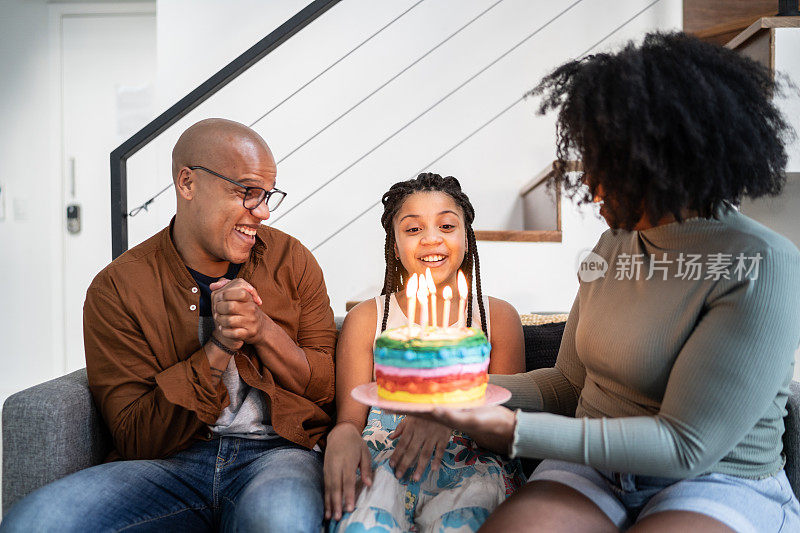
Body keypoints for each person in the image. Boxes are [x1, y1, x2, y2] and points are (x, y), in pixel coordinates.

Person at [407, 33, 800, 532]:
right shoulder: (612, 245)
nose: (588, 183)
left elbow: (686, 445)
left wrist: (511, 429)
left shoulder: (760, 263)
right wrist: (457, 391)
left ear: (664, 162)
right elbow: (567, 385)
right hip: (593, 472)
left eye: (605, 164)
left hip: (715, 478)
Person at [1, 118, 337, 532]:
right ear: (187, 183)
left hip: (277, 454)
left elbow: (325, 390)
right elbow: (137, 438)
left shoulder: (292, 260)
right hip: (168, 465)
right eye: (247, 192)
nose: (262, 212)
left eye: (267, 196)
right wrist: (219, 347)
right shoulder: (118, 288)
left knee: (280, 521)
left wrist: (263, 330)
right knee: (35, 523)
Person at [324, 173, 526, 532]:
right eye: (413, 229)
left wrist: (448, 413)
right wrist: (339, 438)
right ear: (395, 244)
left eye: (447, 225)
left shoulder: (498, 318)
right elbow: (350, 421)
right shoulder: (368, 318)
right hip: (384, 463)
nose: (432, 239)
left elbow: (506, 434)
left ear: (466, 236)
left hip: (473, 470)